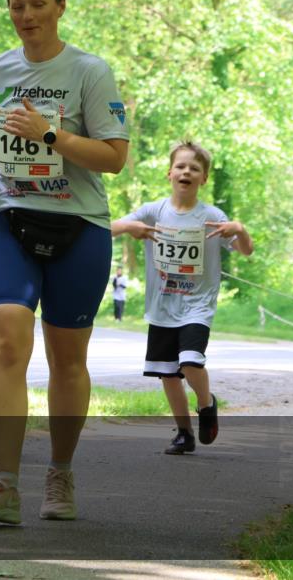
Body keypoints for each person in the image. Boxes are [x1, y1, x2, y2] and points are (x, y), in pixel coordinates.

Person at [0, 0, 129, 523]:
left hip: (79, 222)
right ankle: (4, 486)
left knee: (66, 359)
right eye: (16, 6)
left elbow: (115, 157)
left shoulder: (89, 71)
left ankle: (60, 475)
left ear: (59, 7)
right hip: (8, 215)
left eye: (36, 4)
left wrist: (51, 135)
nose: (26, 16)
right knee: (5, 339)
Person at [112, 141, 253, 455]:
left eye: (195, 168)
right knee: (167, 373)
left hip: (197, 306)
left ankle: (206, 404)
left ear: (203, 179)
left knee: (189, 363)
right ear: (169, 173)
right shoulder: (153, 211)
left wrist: (240, 230)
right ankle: (184, 433)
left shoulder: (213, 216)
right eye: (181, 166)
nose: (186, 171)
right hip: (162, 307)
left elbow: (246, 250)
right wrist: (129, 227)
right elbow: (108, 227)